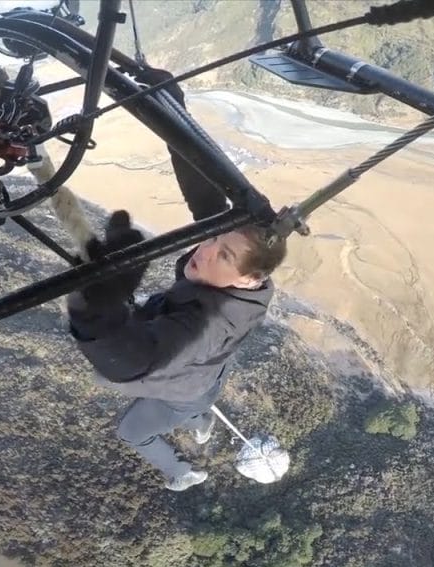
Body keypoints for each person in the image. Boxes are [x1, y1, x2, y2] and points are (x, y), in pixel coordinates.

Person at [63, 66, 288, 491]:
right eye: (213, 240)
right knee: (189, 405)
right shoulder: (246, 277)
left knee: (134, 432)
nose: (202, 251)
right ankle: (199, 421)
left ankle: (181, 473)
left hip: (186, 384)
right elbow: (205, 195)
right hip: (198, 382)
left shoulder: (207, 325)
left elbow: (135, 361)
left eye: (221, 253)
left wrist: (96, 312)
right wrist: (171, 107)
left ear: (246, 278)